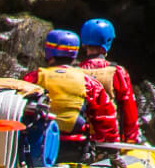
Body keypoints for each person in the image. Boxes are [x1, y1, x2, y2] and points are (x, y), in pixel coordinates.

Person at [32, 29, 117, 161]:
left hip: (37, 145)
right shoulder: (89, 82)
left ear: (48, 52)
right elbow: (106, 117)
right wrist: (111, 148)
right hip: (75, 149)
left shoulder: (34, 77)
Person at [76, 18, 142, 146]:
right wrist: (131, 140)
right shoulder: (117, 72)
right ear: (108, 42)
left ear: (84, 43)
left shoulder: (74, 72)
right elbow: (129, 111)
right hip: (108, 142)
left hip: (82, 140)